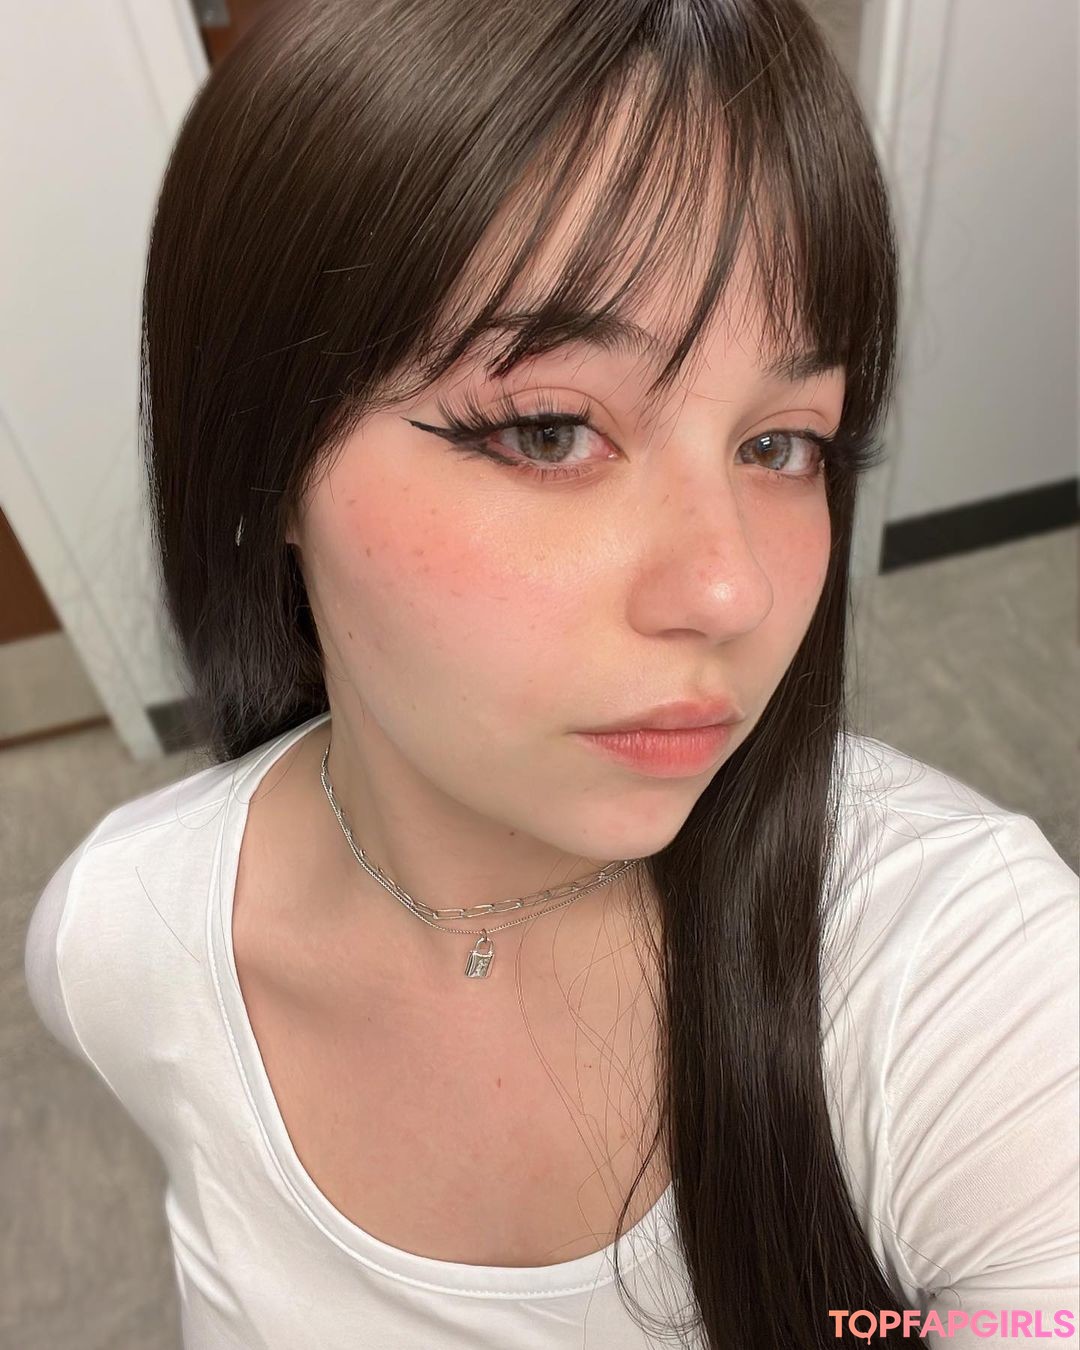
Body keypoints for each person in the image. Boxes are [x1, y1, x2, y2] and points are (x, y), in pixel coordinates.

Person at [23, 0, 1079, 1346]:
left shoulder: (966, 979)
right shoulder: (124, 940)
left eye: (780, 445)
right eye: (547, 431)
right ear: (266, 462)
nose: (732, 590)